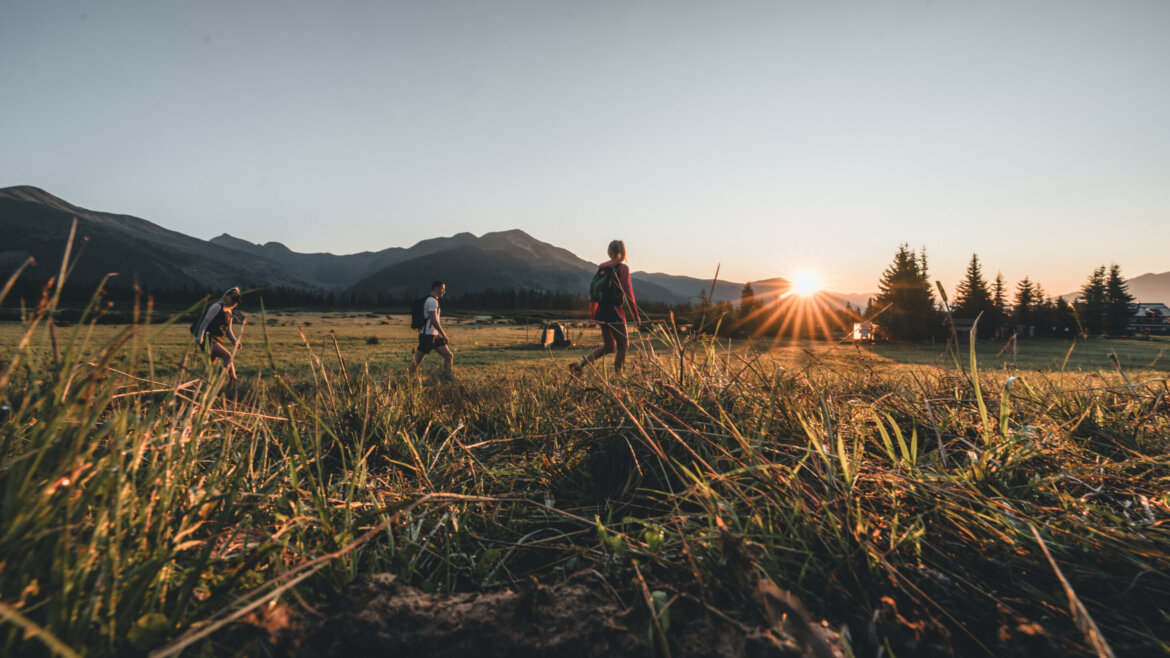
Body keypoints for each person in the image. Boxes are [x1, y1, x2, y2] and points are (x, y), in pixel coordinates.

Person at [570, 240, 640, 377]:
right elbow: (628, 293)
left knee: (609, 347)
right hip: (615, 312)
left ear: (610, 251)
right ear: (623, 251)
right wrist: (636, 316)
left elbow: (595, 295)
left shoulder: (602, 269)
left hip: (601, 312)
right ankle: (618, 376)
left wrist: (593, 316)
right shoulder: (622, 268)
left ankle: (578, 365)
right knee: (623, 346)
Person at [195, 286, 244, 384]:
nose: (234, 303)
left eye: (236, 302)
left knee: (209, 365)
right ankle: (233, 380)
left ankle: (198, 383)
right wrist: (200, 336)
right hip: (208, 338)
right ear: (227, 297)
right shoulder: (217, 307)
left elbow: (228, 330)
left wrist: (235, 342)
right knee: (227, 356)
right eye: (233, 300)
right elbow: (205, 322)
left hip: (217, 339)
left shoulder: (229, 312)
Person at [409, 280, 454, 376]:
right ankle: (408, 379)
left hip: (434, 335)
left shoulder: (434, 300)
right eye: (443, 289)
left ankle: (447, 378)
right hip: (427, 336)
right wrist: (444, 335)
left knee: (449, 355)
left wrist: (439, 334)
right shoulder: (432, 301)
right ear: (436, 288)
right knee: (417, 360)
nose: (444, 291)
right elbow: (433, 320)